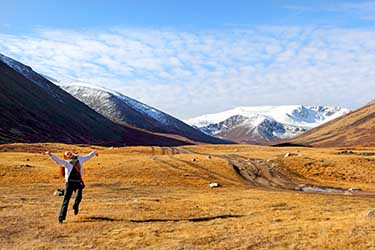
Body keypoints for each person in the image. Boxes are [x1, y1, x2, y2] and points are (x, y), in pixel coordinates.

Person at [46, 150, 98, 224]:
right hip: (69, 183)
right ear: (66, 156)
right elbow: (58, 160)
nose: (69, 154)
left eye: (69, 152)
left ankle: (75, 206)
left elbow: (88, 156)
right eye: (67, 154)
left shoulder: (80, 159)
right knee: (66, 200)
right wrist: (50, 155)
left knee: (78, 197)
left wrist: (94, 153)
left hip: (78, 182)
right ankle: (61, 218)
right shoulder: (66, 162)